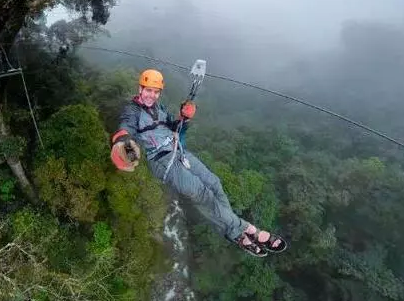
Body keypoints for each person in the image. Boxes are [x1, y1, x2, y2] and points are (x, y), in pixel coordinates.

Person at [110, 69, 287, 257]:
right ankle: (251, 230)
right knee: (203, 195)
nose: (151, 95)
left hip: (179, 152)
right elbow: (125, 128)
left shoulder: (158, 108)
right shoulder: (132, 110)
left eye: (155, 91)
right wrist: (123, 144)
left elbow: (174, 126)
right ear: (140, 88)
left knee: (214, 183)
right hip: (162, 161)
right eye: (148, 90)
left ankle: (236, 235)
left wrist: (183, 117)